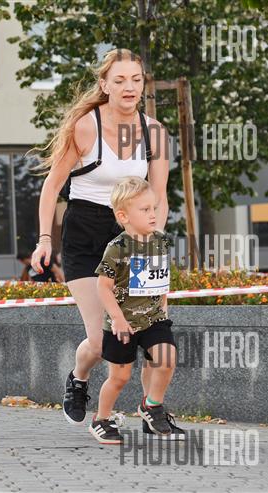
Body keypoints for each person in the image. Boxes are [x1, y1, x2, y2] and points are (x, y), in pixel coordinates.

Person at [29, 48, 181, 438]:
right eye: (120, 80)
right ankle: (79, 377)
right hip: (85, 234)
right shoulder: (86, 127)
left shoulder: (155, 133)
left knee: (150, 328)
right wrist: (44, 239)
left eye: (136, 80)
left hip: (133, 236)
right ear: (105, 85)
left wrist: (152, 241)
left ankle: (151, 409)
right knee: (100, 341)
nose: (129, 87)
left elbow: (159, 196)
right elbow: (52, 186)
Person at [89, 176, 178, 444]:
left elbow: (161, 278)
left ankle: (152, 405)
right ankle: (101, 419)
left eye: (154, 208)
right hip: (122, 324)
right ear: (123, 216)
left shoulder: (161, 241)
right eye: (145, 209)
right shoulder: (117, 248)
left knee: (167, 358)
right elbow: (103, 287)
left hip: (154, 319)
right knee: (119, 377)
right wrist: (117, 319)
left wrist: (164, 307)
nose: (153, 214)